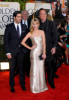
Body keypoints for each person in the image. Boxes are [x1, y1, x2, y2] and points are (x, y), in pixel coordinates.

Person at [21, 18, 48, 93]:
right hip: (34, 53)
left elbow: (44, 44)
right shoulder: (30, 33)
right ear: (31, 25)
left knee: (41, 69)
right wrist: (30, 47)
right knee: (35, 69)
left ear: (38, 24)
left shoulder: (42, 32)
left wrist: (44, 53)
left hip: (41, 53)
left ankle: (42, 86)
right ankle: (34, 88)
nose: (35, 25)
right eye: (33, 24)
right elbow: (22, 42)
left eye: (36, 24)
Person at [4, 11, 27, 92]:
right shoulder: (9, 27)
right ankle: (12, 86)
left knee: (21, 69)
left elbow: (26, 40)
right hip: (12, 52)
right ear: (14, 17)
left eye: (21, 16)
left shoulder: (24, 27)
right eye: (18, 16)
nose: (20, 18)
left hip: (21, 52)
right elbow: (6, 41)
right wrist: (7, 52)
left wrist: (25, 50)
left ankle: (23, 84)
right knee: (12, 70)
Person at [39, 8, 58, 89]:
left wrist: (54, 46)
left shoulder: (51, 23)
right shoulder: (37, 24)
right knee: (41, 66)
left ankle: (51, 81)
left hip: (49, 48)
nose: (43, 15)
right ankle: (43, 81)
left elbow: (55, 36)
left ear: (46, 15)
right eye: (41, 14)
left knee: (50, 66)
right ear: (39, 16)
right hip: (39, 49)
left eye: (44, 13)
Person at [21, 10, 31, 77]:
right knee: (20, 59)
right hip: (21, 44)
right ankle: (19, 71)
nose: (25, 15)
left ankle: (27, 71)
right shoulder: (18, 22)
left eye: (27, 14)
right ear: (21, 15)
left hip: (29, 44)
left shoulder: (30, 22)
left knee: (28, 59)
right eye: (24, 14)